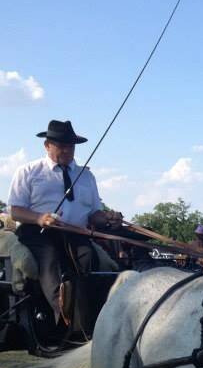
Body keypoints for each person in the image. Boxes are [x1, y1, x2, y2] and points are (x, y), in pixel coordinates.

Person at [8, 120, 123, 324]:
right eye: (61, 145)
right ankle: (64, 319)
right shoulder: (28, 172)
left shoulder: (86, 176)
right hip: (37, 234)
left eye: (70, 146)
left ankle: (94, 316)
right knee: (50, 261)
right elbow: (15, 211)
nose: (67, 150)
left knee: (89, 260)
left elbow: (94, 214)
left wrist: (108, 218)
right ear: (47, 145)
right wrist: (39, 218)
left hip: (76, 234)